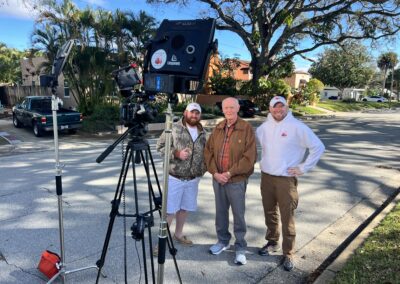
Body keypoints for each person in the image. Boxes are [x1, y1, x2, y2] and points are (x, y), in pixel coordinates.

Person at [256, 96, 325, 271]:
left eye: (282, 107)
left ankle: (288, 252)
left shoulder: (298, 127)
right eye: (275, 108)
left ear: (287, 108)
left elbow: (318, 147)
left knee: (287, 216)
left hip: (286, 180)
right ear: (270, 109)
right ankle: (272, 242)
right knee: (269, 211)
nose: (278, 111)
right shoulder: (263, 128)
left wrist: (303, 167)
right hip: (266, 177)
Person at [204, 97, 257, 265]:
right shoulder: (218, 128)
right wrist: (215, 173)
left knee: (238, 214)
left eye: (232, 107)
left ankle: (240, 247)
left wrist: (229, 173)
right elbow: (208, 153)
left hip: (236, 180)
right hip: (218, 179)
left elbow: (250, 157)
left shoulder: (246, 128)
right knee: (220, 212)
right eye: (226, 108)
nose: (229, 110)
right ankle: (223, 241)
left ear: (238, 108)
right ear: (223, 110)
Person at [156, 102, 207, 248]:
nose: (194, 115)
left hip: (192, 179)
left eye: (197, 113)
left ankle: (178, 234)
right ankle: (161, 241)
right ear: (185, 113)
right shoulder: (173, 128)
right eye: (192, 112)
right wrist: (176, 153)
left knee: (184, 208)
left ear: (200, 115)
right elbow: (159, 147)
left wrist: (203, 169)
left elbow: (208, 153)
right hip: (174, 177)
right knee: (170, 211)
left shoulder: (203, 132)